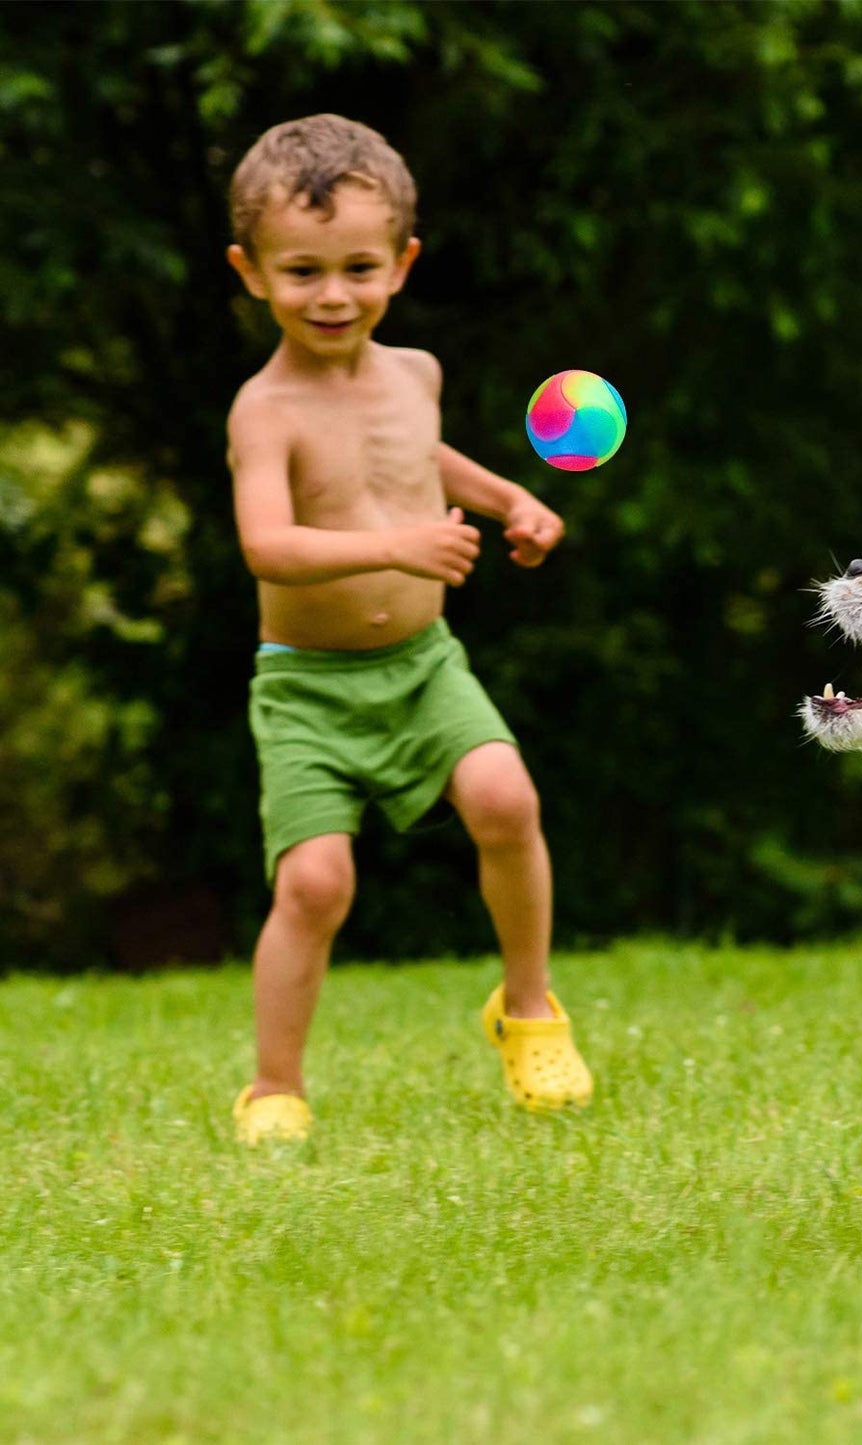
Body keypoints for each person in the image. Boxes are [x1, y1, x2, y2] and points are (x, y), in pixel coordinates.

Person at [223, 114, 592, 1144]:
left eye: (357, 267)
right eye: (301, 271)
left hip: (423, 664)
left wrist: (508, 497)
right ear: (251, 272)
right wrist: (394, 548)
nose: (331, 293)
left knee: (504, 796)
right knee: (314, 879)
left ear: (402, 263)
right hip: (307, 683)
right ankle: (274, 1087)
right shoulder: (266, 410)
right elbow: (266, 543)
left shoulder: (413, 373)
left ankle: (529, 1010)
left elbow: (423, 460)